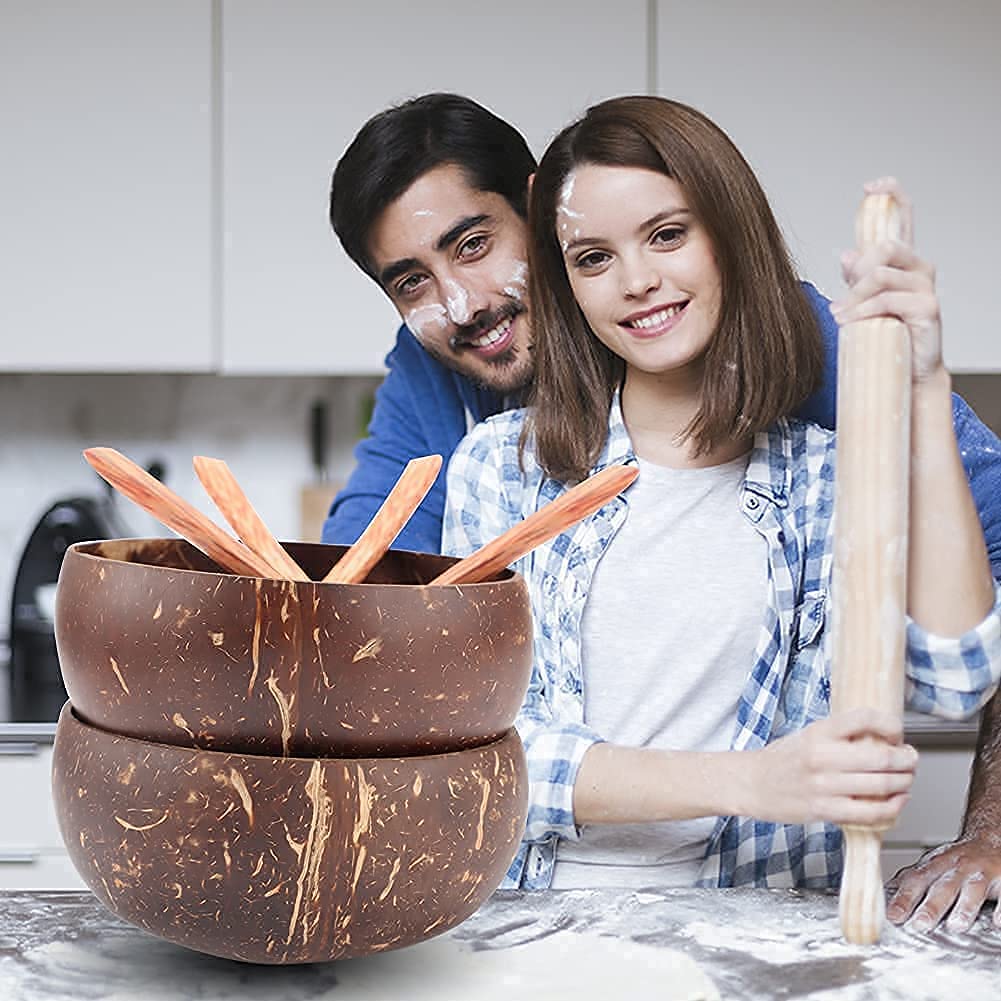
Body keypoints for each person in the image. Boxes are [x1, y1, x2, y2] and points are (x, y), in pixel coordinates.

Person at [323, 93, 1001, 924]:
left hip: (756, 923)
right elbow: (435, 718)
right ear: (567, 265)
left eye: (667, 234)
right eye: (594, 257)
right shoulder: (493, 463)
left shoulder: (833, 442)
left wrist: (920, 386)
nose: (462, 303)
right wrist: (752, 780)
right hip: (525, 924)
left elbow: (959, 674)